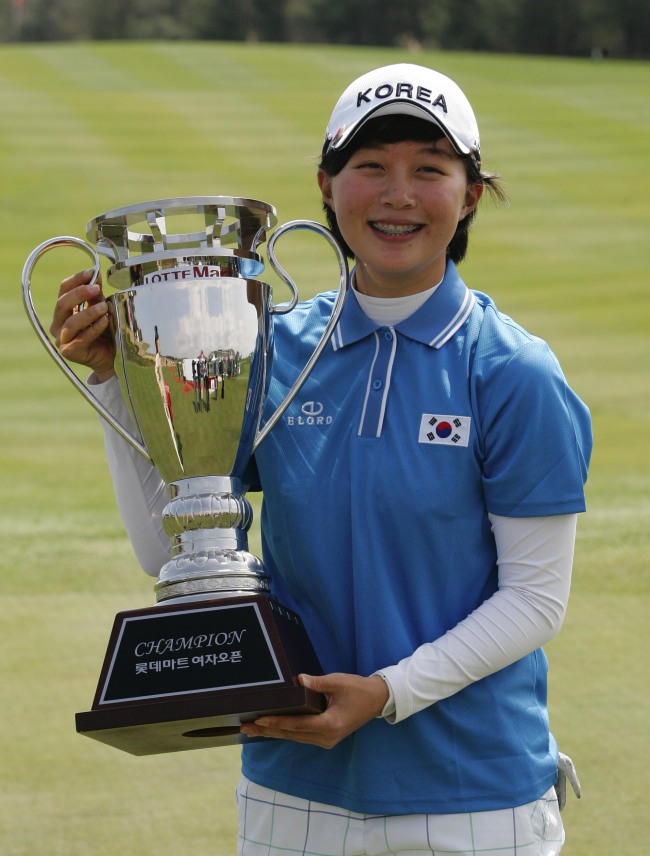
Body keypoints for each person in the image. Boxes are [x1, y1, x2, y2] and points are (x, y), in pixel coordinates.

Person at [51, 63, 591, 856]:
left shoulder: (511, 372)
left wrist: (384, 694)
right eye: (369, 167)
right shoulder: (274, 348)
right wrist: (117, 382)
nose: (398, 193)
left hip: (475, 797)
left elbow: (536, 600)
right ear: (326, 187)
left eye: (429, 170)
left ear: (470, 194)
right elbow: (168, 550)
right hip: (292, 792)